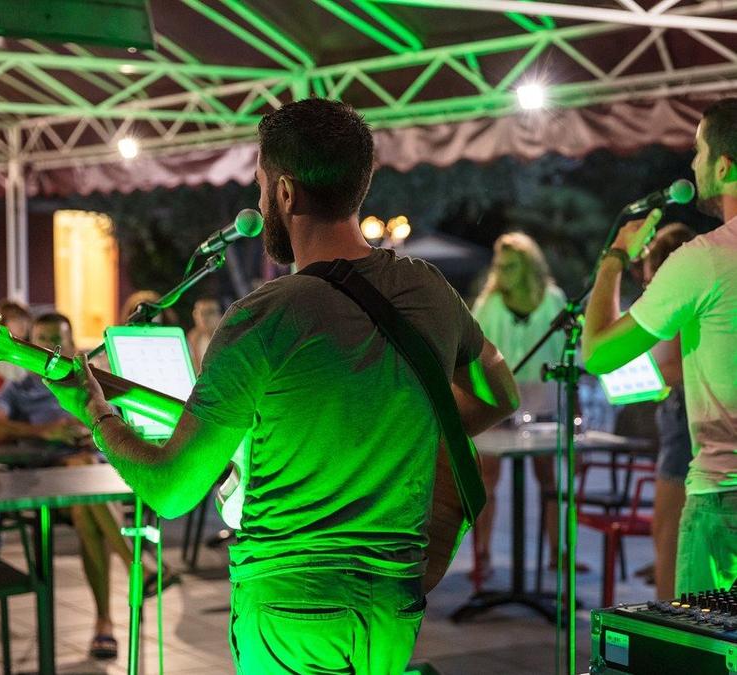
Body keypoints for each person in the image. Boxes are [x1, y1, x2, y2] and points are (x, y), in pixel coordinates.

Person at [46, 98, 519, 674]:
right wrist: (401, 431)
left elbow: (171, 490)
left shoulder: (262, 317)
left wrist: (96, 414)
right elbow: (499, 394)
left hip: (293, 605)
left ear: (286, 193)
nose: (262, 198)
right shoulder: (428, 288)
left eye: (261, 185)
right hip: (394, 603)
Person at [584, 98, 737, 596]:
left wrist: (615, 257)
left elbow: (599, 353)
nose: (692, 164)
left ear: (723, 165)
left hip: (723, 497)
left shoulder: (704, 260)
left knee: (705, 638)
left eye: (698, 151)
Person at [0, 312, 136, 660]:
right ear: (30, 345)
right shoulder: (21, 389)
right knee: (82, 473)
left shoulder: (95, 385)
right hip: (50, 486)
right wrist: (43, 432)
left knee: (85, 494)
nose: (50, 348)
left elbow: (129, 426)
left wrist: (97, 431)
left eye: (58, 340)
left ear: (73, 345)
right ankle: (135, 567)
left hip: (97, 482)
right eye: (42, 340)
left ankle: (106, 620)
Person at [471, 232, 585, 580]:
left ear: (529, 267)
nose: (503, 273)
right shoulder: (489, 303)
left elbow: (571, 356)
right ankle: (482, 556)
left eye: (511, 267)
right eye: (500, 266)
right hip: (498, 401)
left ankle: (557, 553)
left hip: (544, 401)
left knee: (548, 479)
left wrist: (576, 411)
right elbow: (473, 354)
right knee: (486, 480)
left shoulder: (553, 300)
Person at [639, 223, 696, 599]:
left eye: (648, 278)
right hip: (687, 412)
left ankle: (667, 622)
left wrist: (638, 376)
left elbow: (677, 366)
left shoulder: (678, 298)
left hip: (683, 413)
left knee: (668, 533)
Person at [186, 297, 222, 373]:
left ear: (220, 315)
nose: (204, 318)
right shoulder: (192, 339)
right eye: (200, 313)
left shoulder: (228, 337)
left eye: (210, 312)